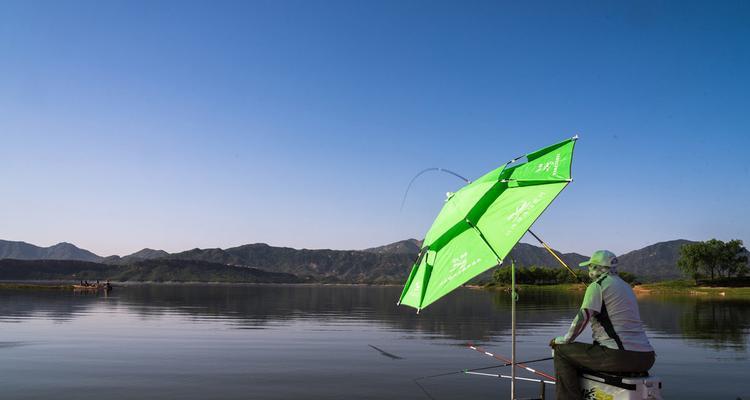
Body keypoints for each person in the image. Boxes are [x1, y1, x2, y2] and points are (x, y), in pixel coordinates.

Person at [550, 250, 656, 400]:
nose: (589, 271)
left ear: (597, 268)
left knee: (561, 351)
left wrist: (563, 340)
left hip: (619, 357)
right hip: (647, 358)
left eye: (590, 267)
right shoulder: (627, 287)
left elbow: (582, 318)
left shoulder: (597, 286)